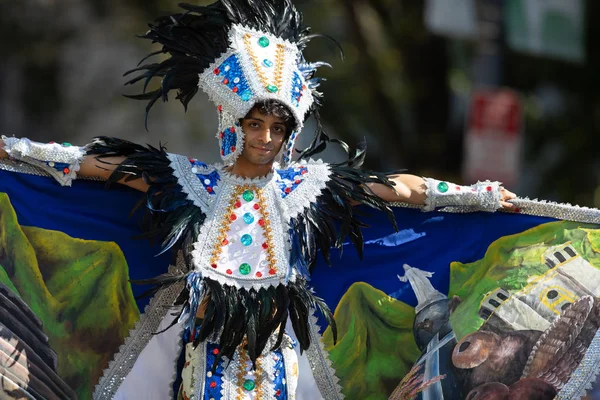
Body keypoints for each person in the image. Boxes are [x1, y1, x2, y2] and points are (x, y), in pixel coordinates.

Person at [0, 0, 515, 398]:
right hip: (204, 353)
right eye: (255, 125)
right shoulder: (192, 182)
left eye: (276, 127)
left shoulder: (306, 188)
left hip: (277, 355)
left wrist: (480, 197)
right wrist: (19, 151)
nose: (266, 138)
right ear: (233, 124)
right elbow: (103, 165)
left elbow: (399, 187)